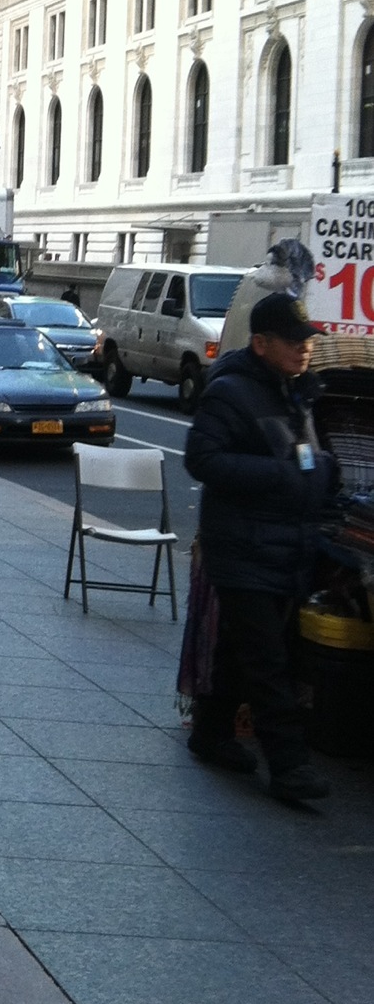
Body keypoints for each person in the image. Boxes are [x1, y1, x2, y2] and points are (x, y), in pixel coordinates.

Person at [183, 291, 337, 804]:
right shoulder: (231, 391)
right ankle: (290, 768)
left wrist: (325, 475)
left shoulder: (297, 392)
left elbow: (312, 460)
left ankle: (210, 732)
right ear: (261, 343)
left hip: (286, 545)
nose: (305, 349)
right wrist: (280, 476)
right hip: (244, 547)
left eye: (308, 340)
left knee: (242, 646)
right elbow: (202, 460)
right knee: (270, 659)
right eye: (293, 341)